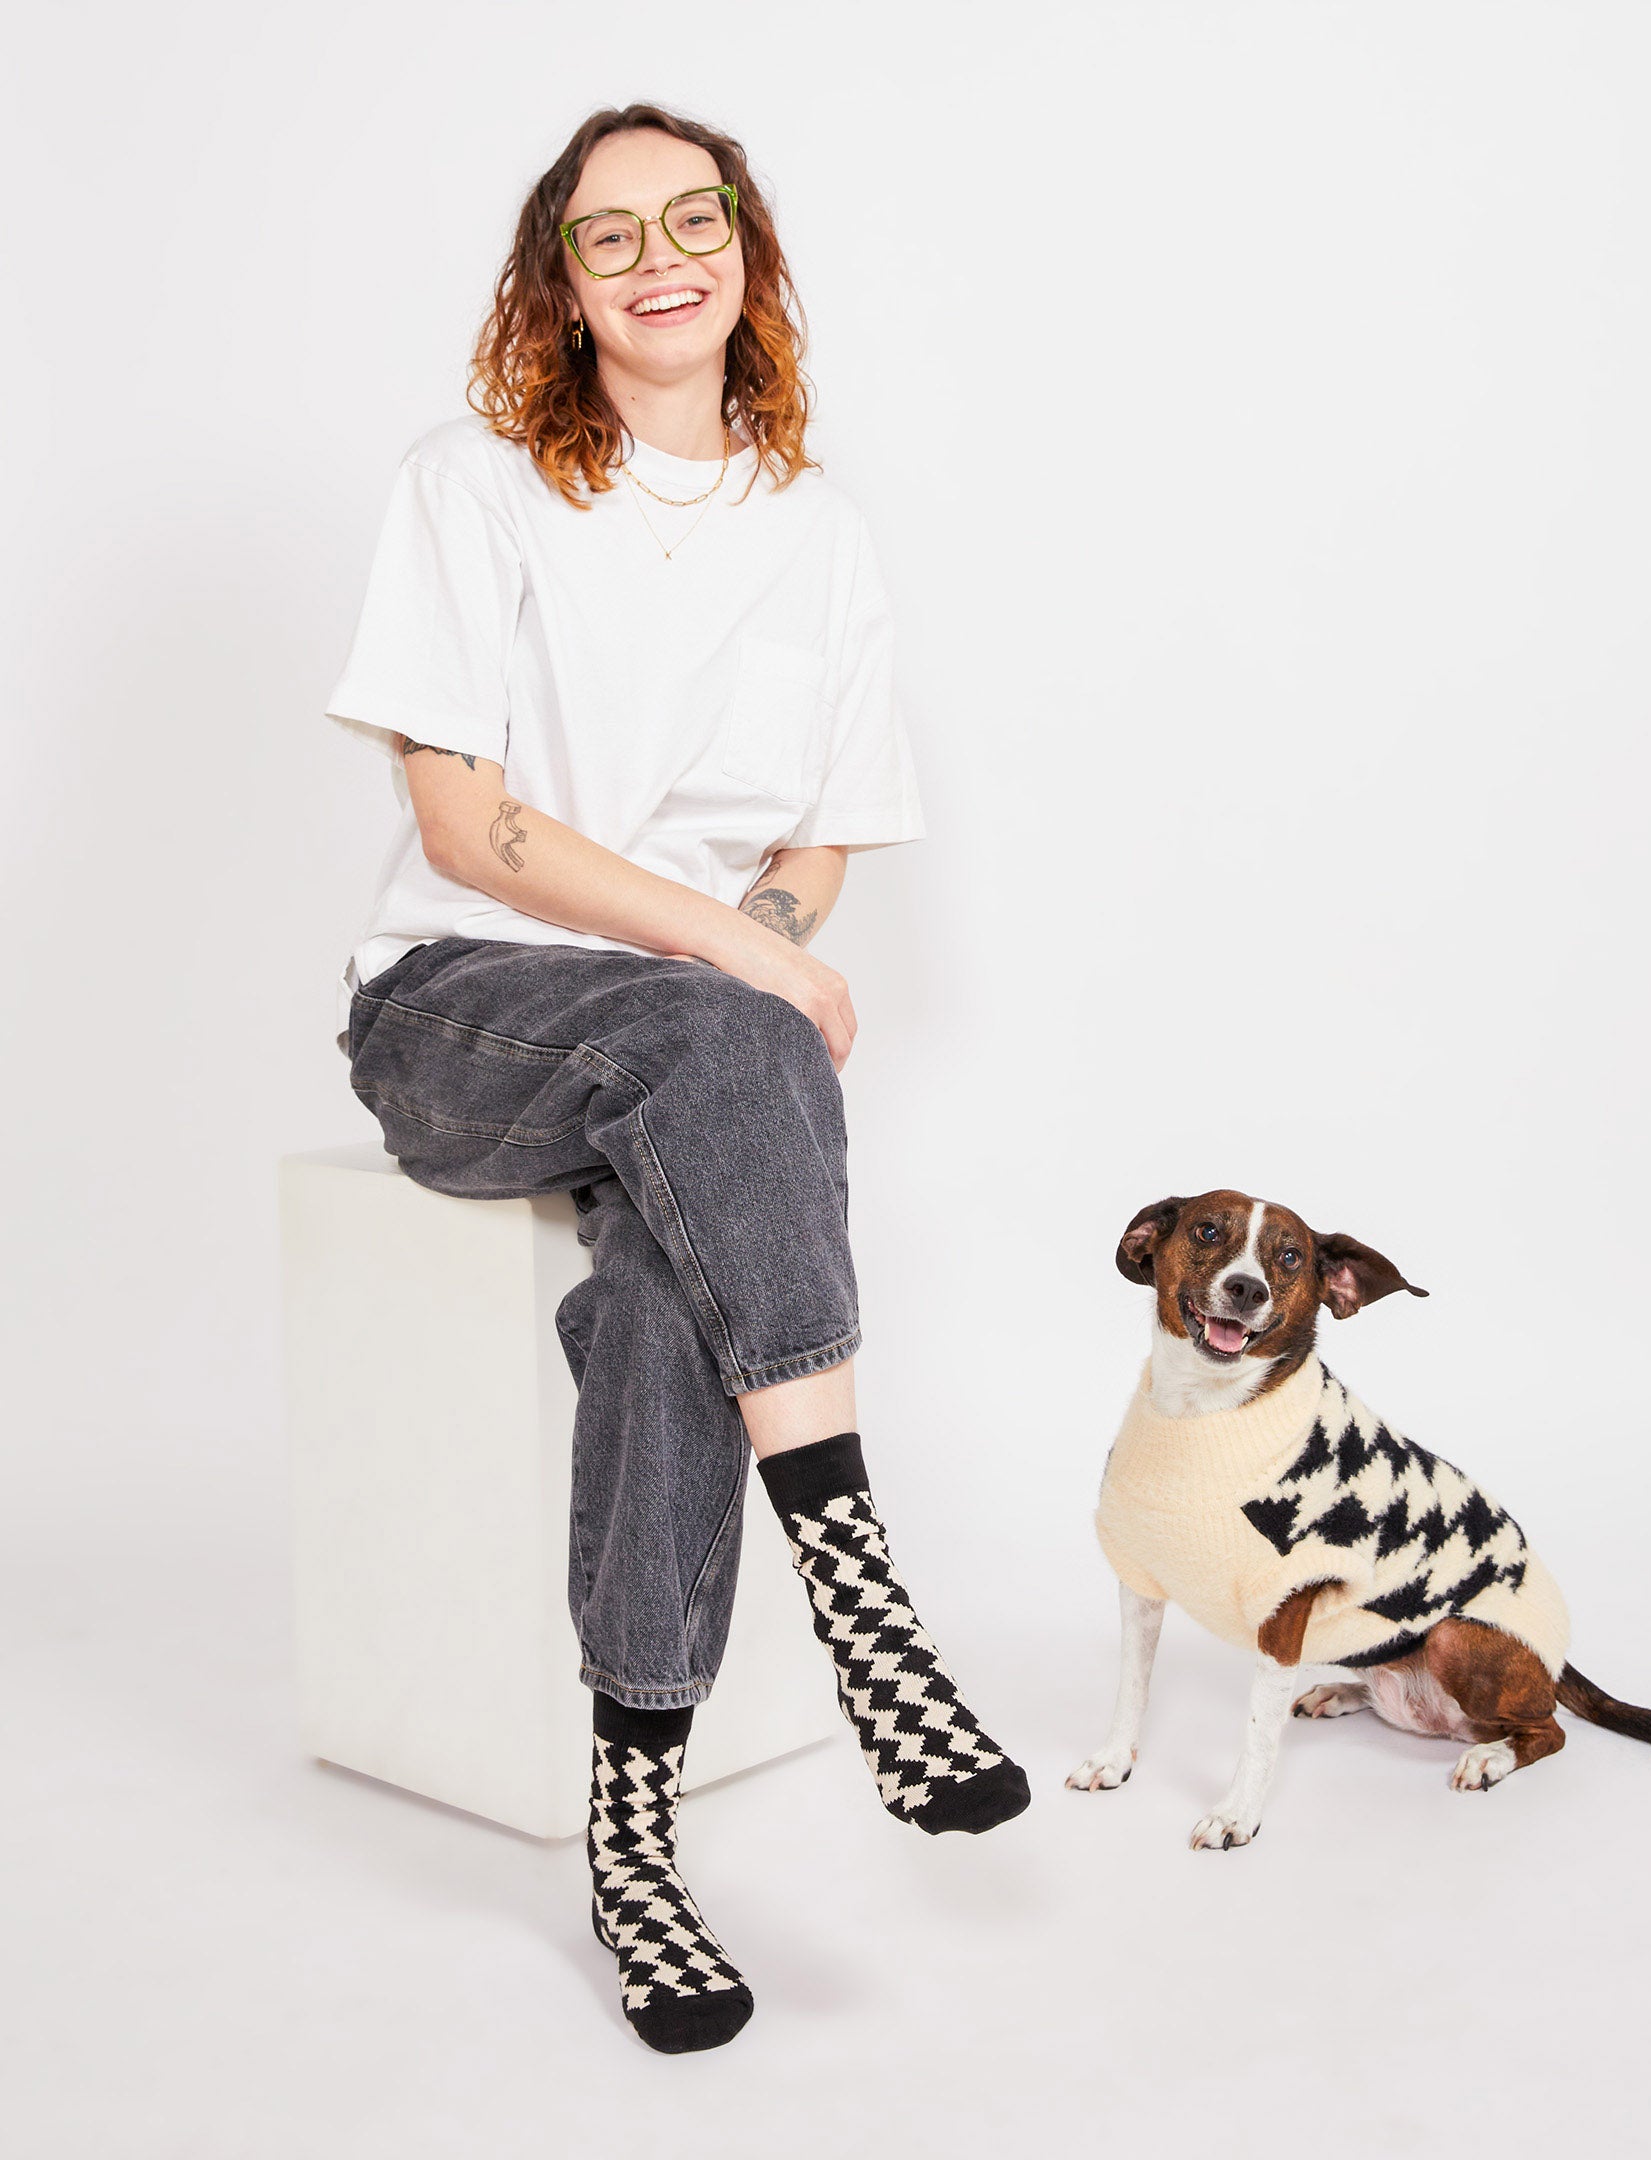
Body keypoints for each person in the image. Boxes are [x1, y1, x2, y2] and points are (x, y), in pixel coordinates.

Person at [325, 102, 1028, 2055]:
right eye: (607, 232)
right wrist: (743, 952)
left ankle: (630, 1823)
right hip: (464, 1012)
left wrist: (768, 940)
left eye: (690, 217)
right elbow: (469, 833)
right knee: (735, 1031)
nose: (657, 256)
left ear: (747, 247)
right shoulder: (469, 488)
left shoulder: (820, 533)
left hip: (688, 1062)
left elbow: (821, 846)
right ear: (560, 282)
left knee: (661, 1297)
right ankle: (866, 1592)